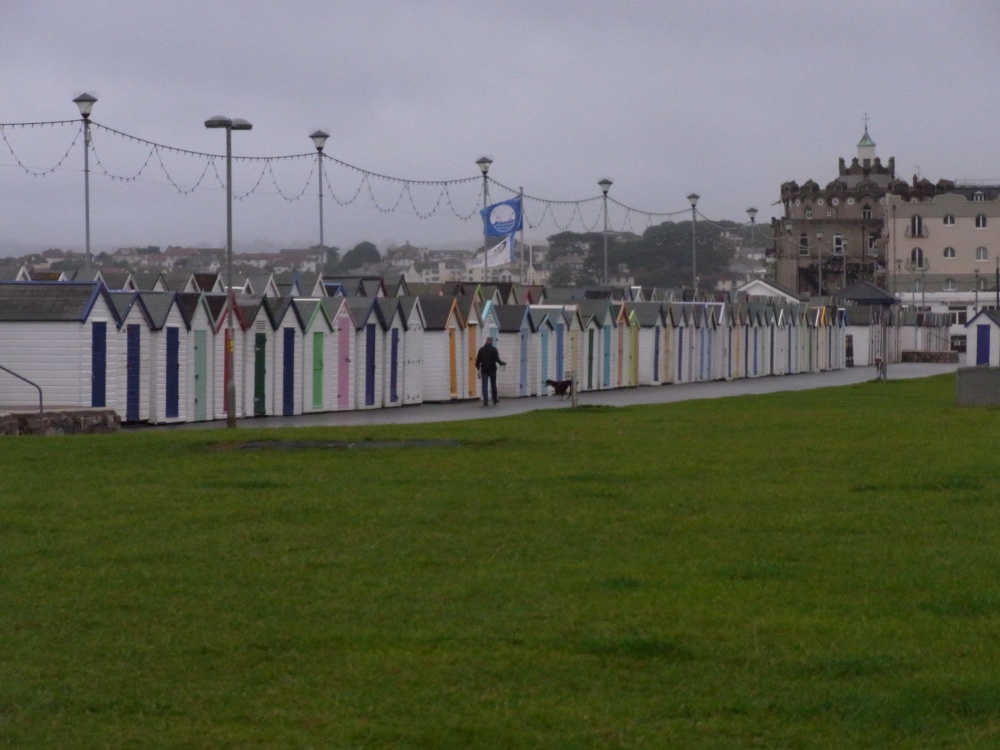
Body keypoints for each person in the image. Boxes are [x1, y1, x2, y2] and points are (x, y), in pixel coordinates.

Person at [475, 336, 506, 406]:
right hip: (492, 369)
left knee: (484, 385)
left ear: (486, 341)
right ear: (491, 341)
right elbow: (497, 360)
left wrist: (477, 367)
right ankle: (494, 399)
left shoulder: (481, 350)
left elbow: (478, 361)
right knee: (493, 384)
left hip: (484, 369)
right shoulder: (494, 349)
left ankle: (485, 400)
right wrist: (503, 363)